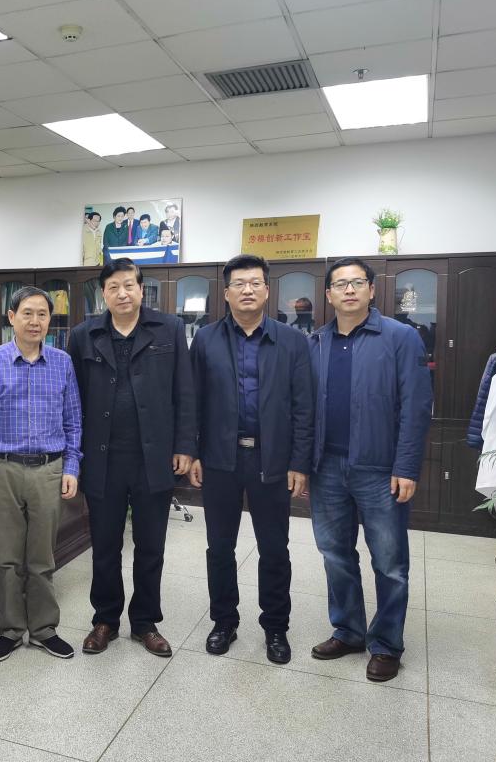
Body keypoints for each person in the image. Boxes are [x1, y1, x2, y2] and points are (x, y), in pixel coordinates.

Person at [308, 257, 432, 682]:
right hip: (326, 467)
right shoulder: (316, 342)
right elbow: (303, 408)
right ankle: (348, 631)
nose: (349, 290)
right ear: (328, 295)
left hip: (381, 469)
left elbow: (416, 407)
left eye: (357, 282)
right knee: (335, 554)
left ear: (372, 290)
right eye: (340, 284)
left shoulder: (400, 337)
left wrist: (407, 466)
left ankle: (386, 644)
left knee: (390, 562)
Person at [189, 254, 314, 665]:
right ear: (226, 293)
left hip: (271, 459)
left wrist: (299, 462)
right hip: (219, 458)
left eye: (255, 283)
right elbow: (192, 402)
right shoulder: (206, 340)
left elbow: (304, 407)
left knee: (274, 548)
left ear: (266, 290)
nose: (247, 290)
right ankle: (224, 621)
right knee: (219, 547)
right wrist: (193, 452)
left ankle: (275, 627)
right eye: (239, 284)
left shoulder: (292, 341)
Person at [68, 259, 196, 657]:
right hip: (102, 458)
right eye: (113, 287)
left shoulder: (169, 329)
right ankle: (105, 619)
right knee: (105, 545)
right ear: (103, 295)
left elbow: (185, 392)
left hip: (152, 457)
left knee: (150, 545)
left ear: (142, 290)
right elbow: (72, 400)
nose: (122, 293)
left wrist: (185, 446)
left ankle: (145, 622)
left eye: (129, 285)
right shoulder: (84, 335)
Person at [0, 286, 82, 663]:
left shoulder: (62, 362)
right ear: (11, 317)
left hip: (49, 470)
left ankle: (45, 628)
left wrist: (71, 466)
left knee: (42, 557)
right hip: (2, 469)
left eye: (42, 314)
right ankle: (11, 629)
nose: (35, 321)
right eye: (27, 313)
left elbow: (74, 420)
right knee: (6, 559)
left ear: (50, 320)